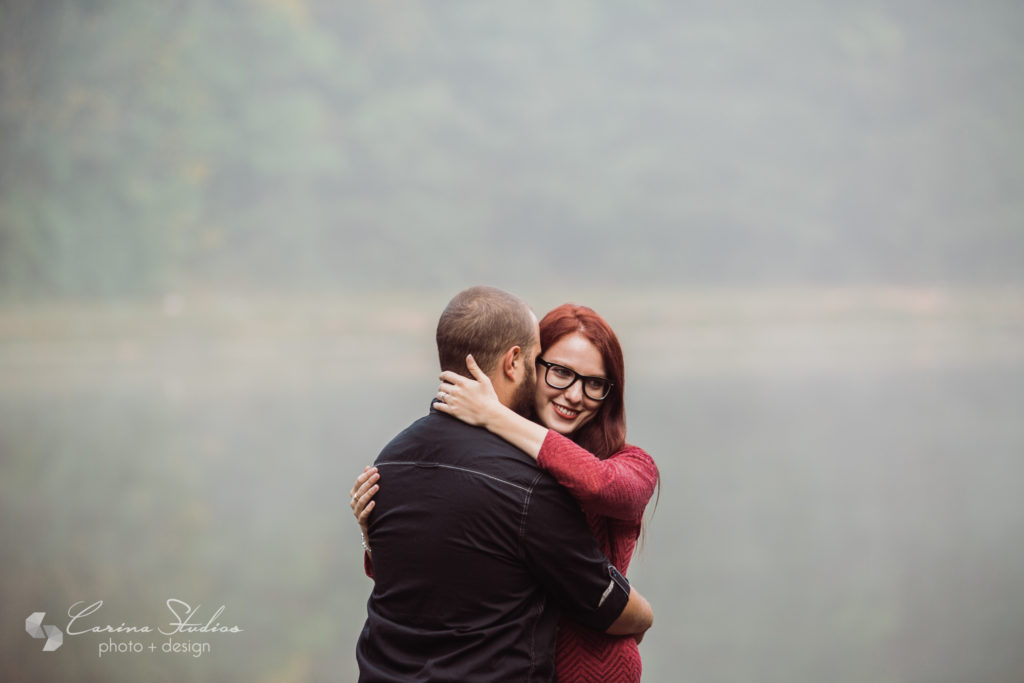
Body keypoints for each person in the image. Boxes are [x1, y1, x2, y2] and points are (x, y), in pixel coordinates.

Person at [353, 286, 653, 682]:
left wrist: (497, 415)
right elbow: (433, 578)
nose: (575, 394)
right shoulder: (520, 482)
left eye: (595, 383)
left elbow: (604, 487)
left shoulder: (394, 457)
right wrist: (370, 537)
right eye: (558, 371)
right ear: (520, 363)